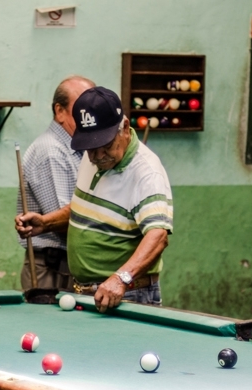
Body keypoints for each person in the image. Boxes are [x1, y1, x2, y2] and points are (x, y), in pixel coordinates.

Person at [16, 87, 173, 312]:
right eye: (91, 148)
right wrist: (46, 222)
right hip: (84, 292)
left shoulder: (146, 172)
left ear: (125, 128)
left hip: (127, 294)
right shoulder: (92, 159)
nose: (98, 156)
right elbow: (84, 211)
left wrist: (121, 278)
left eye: (106, 146)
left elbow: (158, 236)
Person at [17, 75, 95, 291]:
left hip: (71, 265)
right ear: (60, 111)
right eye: (81, 108)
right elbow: (64, 222)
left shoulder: (81, 151)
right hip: (52, 269)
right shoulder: (51, 151)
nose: (89, 115)